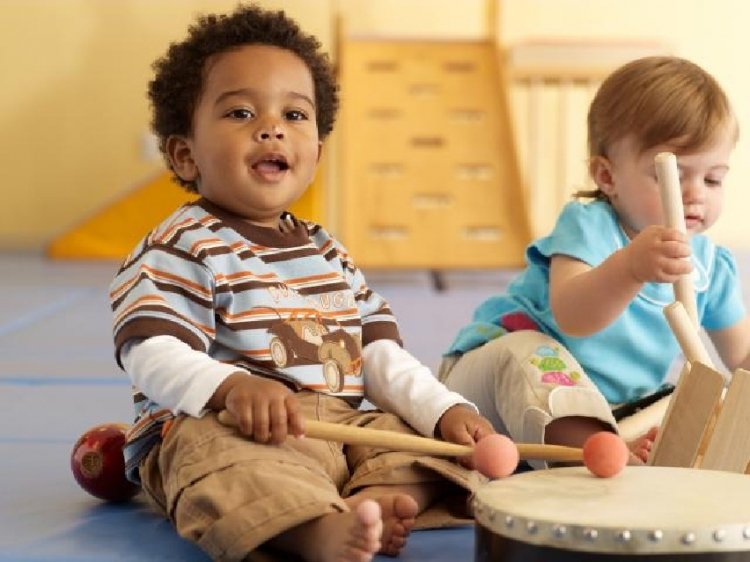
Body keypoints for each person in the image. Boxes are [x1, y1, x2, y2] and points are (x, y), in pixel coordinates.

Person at [109, 4, 495, 562]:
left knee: (423, 448)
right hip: (231, 425)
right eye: (240, 113)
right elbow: (151, 351)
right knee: (218, 461)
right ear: (185, 154)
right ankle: (315, 532)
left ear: (315, 149)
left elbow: (379, 356)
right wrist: (232, 389)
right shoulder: (181, 244)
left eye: (294, 115)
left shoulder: (328, 251)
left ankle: (376, 501)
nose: (271, 127)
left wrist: (443, 409)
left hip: (343, 428)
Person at [439, 55, 749, 467]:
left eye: (713, 179)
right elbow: (574, 317)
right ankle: (601, 455)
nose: (696, 194)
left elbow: (741, 359)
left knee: (692, 402)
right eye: (672, 176)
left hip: (612, 415)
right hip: (491, 383)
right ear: (607, 177)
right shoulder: (589, 225)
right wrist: (630, 268)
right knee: (536, 356)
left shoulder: (712, 265)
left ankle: (610, 458)